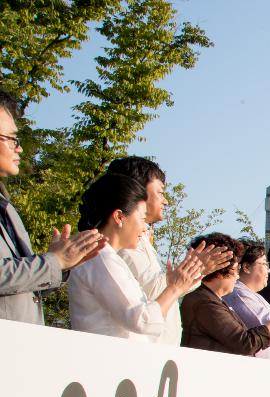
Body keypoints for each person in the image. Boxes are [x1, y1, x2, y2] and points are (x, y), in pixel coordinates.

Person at [0, 87, 105, 324]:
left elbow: (20, 292)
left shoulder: (6, 207)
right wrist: (54, 261)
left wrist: (61, 265)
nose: (20, 148)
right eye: (12, 139)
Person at [68, 173, 208, 341]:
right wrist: (174, 289)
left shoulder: (106, 257)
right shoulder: (101, 258)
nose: (144, 229)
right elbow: (143, 321)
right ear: (119, 217)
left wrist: (178, 285)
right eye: (142, 219)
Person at [179, 233, 270, 355]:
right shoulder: (204, 302)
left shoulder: (213, 299)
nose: (237, 275)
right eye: (235, 268)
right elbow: (246, 343)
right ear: (220, 267)